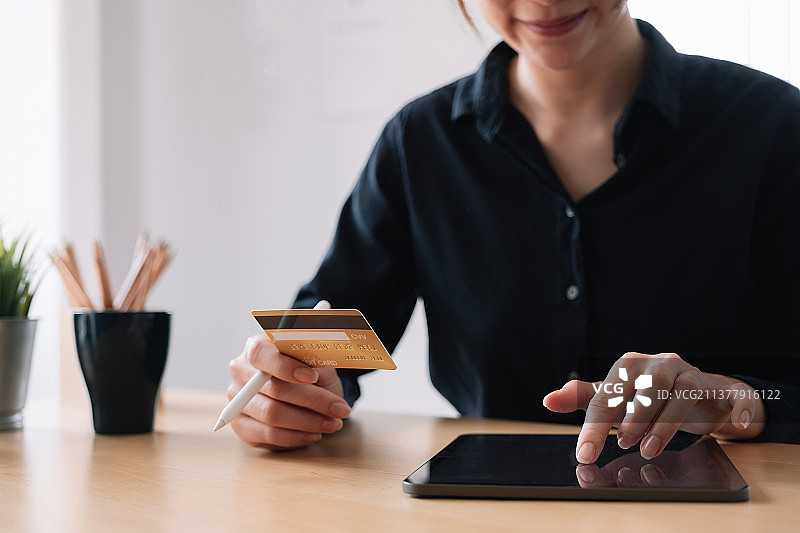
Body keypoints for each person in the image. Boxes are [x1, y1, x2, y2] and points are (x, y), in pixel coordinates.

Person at [227, 0, 800, 462]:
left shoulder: (772, 128)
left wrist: (739, 401)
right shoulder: (420, 141)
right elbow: (330, 331)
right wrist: (287, 384)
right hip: (481, 508)